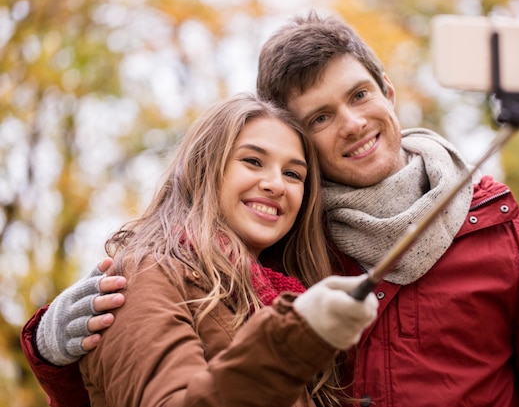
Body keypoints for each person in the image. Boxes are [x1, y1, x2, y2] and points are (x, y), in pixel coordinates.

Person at [22, 11, 519, 406]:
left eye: (360, 95)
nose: (354, 123)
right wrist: (59, 358)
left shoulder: (504, 233)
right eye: (320, 118)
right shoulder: (281, 247)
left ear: (388, 92)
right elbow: (167, 370)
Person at [23, 92, 379, 407]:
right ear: (204, 167)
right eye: (252, 161)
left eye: (293, 174)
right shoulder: (149, 273)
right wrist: (292, 342)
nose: (275, 184)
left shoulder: (281, 290)